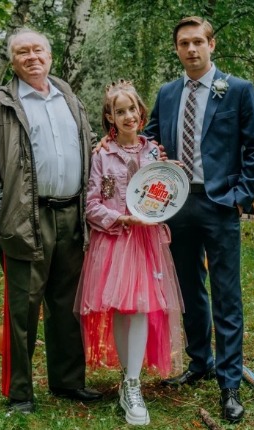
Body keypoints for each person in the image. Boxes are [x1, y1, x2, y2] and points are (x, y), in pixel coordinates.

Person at [144, 16, 254, 423]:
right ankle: (201, 362)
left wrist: (240, 198)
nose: (191, 49)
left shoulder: (237, 90)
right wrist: (119, 148)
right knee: (189, 288)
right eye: (184, 43)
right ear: (177, 49)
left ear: (211, 45)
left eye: (198, 41)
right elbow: (149, 142)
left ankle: (229, 383)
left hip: (220, 204)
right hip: (177, 205)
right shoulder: (167, 93)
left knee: (226, 294)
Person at [0, 28, 101, 414]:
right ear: (13, 61)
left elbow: (89, 144)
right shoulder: (0, 103)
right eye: (23, 52)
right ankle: (20, 393)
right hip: (26, 215)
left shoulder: (68, 96)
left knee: (67, 302)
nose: (32, 57)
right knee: (23, 307)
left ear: (50, 55)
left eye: (38, 50)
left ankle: (68, 381)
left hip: (73, 214)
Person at [74, 80, 185, 426]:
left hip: (146, 242)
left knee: (140, 308)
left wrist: (173, 181)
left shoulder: (153, 152)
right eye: (119, 111)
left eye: (132, 109)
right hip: (116, 240)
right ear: (110, 116)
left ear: (141, 112)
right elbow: (91, 204)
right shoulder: (102, 154)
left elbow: (162, 194)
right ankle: (128, 378)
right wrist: (119, 218)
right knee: (123, 309)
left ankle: (133, 383)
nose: (127, 116)